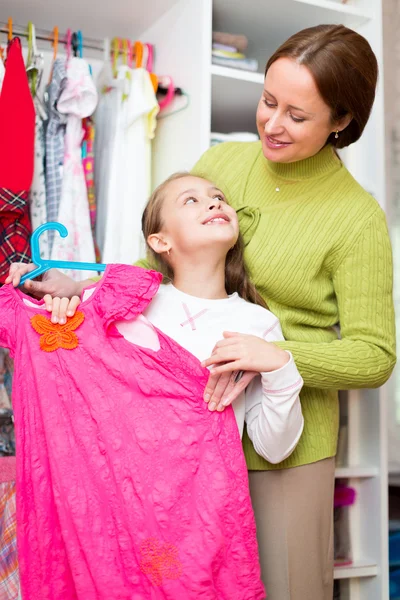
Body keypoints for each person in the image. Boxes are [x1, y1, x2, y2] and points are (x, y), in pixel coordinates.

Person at [9, 23, 396, 600]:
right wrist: (75, 290)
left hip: (279, 444)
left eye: (297, 115)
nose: (271, 123)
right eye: (269, 101)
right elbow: (158, 262)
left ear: (340, 121)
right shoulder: (224, 161)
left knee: (282, 586)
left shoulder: (355, 218)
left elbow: (375, 356)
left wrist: (275, 356)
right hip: (171, 449)